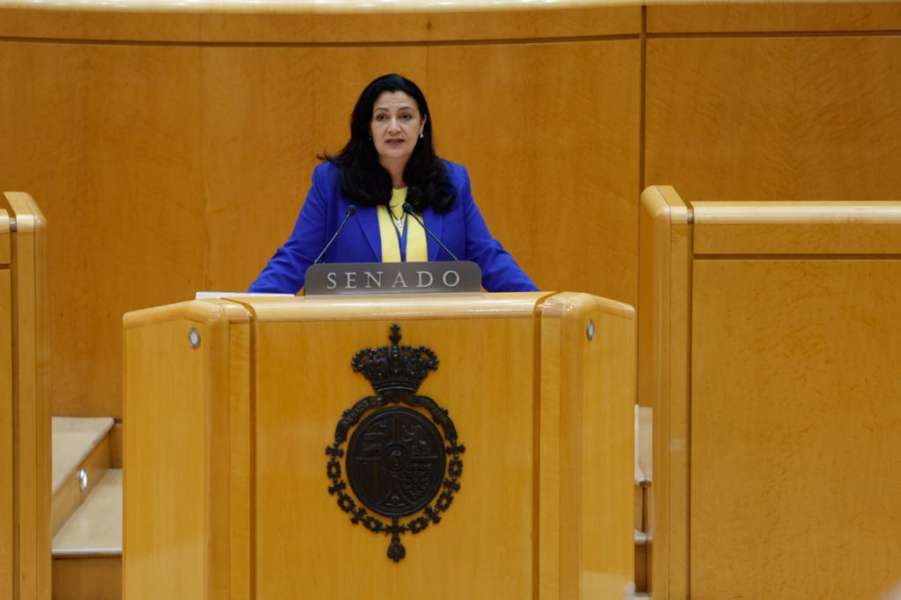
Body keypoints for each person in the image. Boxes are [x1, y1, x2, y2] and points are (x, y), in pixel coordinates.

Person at [248, 73, 537, 293]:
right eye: (382, 117)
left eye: (406, 116)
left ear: (422, 124)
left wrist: (538, 304)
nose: (394, 127)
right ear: (368, 127)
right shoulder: (333, 183)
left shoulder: (452, 181)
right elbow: (298, 256)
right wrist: (249, 307)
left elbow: (487, 256)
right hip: (349, 337)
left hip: (441, 338)